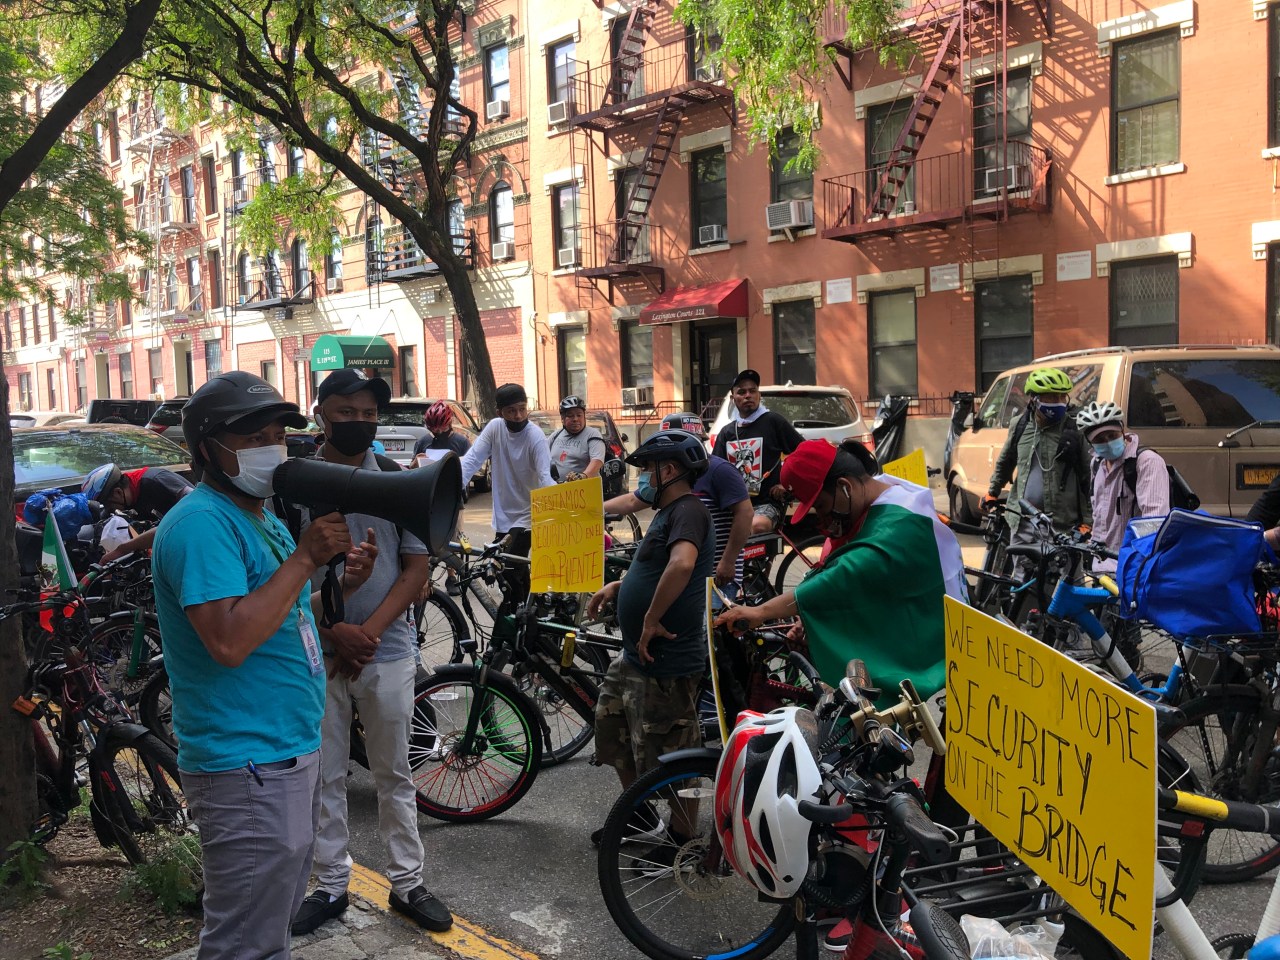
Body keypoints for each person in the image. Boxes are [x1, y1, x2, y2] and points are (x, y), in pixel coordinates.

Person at [151, 371, 377, 960]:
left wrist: (337, 581)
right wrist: (305, 558)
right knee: (242, 942)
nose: (272, 447)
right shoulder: (203, 523)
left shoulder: (257, 514)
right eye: (253, 438)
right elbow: (227, 640)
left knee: (265, 930)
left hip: (282, 751)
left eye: (278, 433)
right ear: (207, 450)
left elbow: (283, 613)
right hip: (245, 762)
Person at [290, 369, 452, 936]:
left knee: (394, 772)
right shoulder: (295, 483)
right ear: (321, 413)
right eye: (346, 412)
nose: (359, 422)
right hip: (317, 648)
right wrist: (335, 631)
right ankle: (332, 882)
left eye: (368, 413)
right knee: (324, 774)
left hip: (385, 648)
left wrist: (367, 635)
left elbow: (416, 569)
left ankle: (408, 882)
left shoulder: (395, 479)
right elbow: (285, 574)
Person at [715, 439, 967, 704]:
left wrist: (761, 612)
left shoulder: (899, 523)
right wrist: (806, 618)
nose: (822, 520)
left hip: (941, 639)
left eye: (821, 507)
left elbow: (844, 575)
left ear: (845, 488)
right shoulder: (883, 493)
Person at [585, 430, 715, 857]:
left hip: (667, 660)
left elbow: (682, 564)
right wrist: (619, 586)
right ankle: (636, 814)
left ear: (670, 470)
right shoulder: (667, 511)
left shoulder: (689, 511)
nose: (644, 480)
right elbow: (657, 566)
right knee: (615, 733)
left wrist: (651, 619)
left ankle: (682, 839)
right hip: (634, 657)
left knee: (673, 756)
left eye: (650, 471)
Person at [604, 412, 751, 596]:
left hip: (711, 577)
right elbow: (633, 500)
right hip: (681, 579)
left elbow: (745, 514)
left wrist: (728, 561)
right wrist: (597, 509)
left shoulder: (720, 470)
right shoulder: (666, 478)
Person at [457, 383, 555, 621]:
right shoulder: (494, 429)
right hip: (504, 517)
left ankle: (522, 621)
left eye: (522, 408)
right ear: (499, 412)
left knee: (508, 571)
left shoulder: (535, 436)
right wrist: (446, 486)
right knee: (515, 575)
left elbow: (544, 477)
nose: (519, 415)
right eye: (511, 410)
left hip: (530, 516)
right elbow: (470, 462)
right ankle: (532, 620)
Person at [983, 367, 1092, 560]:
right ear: (1033, 398)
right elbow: (1006, 461)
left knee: (1060, 584)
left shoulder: (1075, 429)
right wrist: (992, 492)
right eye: (1050, 398)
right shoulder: (1020, 424)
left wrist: (1089, 521)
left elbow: (1087, 477)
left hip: (1062, 525)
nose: (1058, 403)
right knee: (1021, 581)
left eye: (1061, 397)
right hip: (1023, 522)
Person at [1076, 400, 1170, 572]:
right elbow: (1099, 514)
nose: (1108, 442)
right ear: (1090, 443)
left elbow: (1154, 521)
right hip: (1101, 566)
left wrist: (1139, 565)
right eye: (1099, 439)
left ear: (1122, 430)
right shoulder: (1097, 464)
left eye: (1112, 435)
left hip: (1131, 567)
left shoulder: (1146, 461)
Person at [710, 369, 804, 534]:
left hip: (766, 505)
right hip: (733, 506)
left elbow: (804, 454)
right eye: (742, 392)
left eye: (752, 391)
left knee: (756, 525)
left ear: (759, 395)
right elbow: (714, 472)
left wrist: (789, 485)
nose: (748, 395)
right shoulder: (727, 433)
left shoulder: (773, 422)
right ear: (733, 399)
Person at [82, 462, 195, 560]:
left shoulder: (156, 480)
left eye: (108, 504)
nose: (110, 509)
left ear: (118, 492)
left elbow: (196, 507)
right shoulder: (130, 497)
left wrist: (125, 548)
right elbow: (104, 518)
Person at [548, 395, 606, 482]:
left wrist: (583, 476)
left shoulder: (593, 435)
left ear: (584, 416)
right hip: (558, 490)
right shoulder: (556, 435)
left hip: (584, 490)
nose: (575, 419)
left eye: (579, 415)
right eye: (570, 416)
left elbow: (597, 460)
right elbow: (542, 455)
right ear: (562, 418)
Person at [411, 400, 471, 466]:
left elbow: (472, 466)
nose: (440, 432)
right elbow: (411, 469)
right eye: (435, 430)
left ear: (450, 423)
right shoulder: (422, 442)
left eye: (444, 428)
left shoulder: (462, 442)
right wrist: (415, 462)